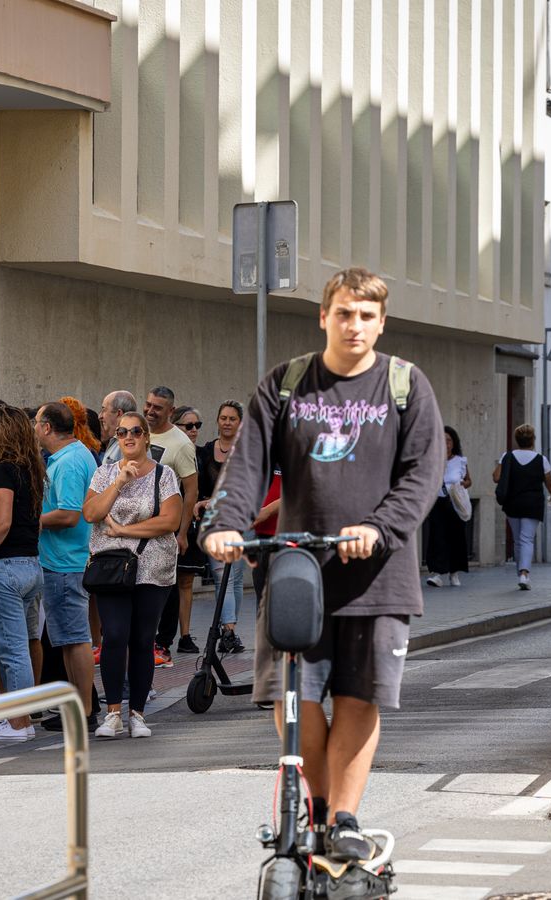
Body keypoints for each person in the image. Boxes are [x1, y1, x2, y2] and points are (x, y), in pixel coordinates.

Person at [203, 267, 444, 863]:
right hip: (296, 573)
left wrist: (378, 529)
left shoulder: (404, 386)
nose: (354, 325)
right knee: (294, 697)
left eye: (366, 315)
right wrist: (227, 524)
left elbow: (422, 474)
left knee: (360, 697)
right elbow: (247, 467)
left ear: (381, 322)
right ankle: (314, 804)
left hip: (378, 575)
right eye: (344, 313)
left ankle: (343, 816)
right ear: (324, 315)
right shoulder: (287, 385)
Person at [84, 411, 183, 738]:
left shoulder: (164, 475)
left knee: (142, 639)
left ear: (146, 438)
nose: (129, 437)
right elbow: (91, 513)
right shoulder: (104, 474)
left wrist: (124, 529)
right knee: (114, 635)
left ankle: (137, 714)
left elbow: (169, 521)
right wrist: (120, 482)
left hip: (152, 568)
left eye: (136, 432)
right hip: (112, 568)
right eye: (123, 432)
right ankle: (113, 713)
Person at [0, 404, 47, 743]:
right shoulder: (30, 468)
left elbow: (2, 524)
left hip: (4, 566)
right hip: (30, 563)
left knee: (11, 650)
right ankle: (22, 720)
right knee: (19, 647)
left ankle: (17, 724)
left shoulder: (1, 469)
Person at [34, 402, 98, 727]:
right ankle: (79, 707)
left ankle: (84, 712)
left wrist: (34, 521)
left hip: (65, 562)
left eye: (36, 423)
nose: (34, 429)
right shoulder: (72, 456)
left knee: (75, 639)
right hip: (65, 560)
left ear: (47, 427)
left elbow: (70, 514)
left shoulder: (70, 461)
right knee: (69, 640)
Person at [144, 387, 199, 667]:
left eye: (157, 407)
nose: (151, 411)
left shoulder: (180, 444)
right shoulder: (137, 431)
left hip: (165, 528)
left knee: (166, 585)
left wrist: (182, 532)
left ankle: (163, 643)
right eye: (148, 405)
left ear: (170, 411)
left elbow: (191, 490)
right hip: (135, 528)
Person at [195, 400, 246, 651]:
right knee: (220, 574)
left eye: (232, 419)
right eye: (223, 417)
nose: (226, 422)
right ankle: (228, 631)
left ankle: (230, 630)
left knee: (234, 577)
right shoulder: (205, 452)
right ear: (217, 420)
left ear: (240, 423)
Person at [492, 425, 551, 590]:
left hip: (512, 503)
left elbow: (496, 477)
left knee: (517, 540)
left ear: (517, 440)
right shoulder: (541, 459)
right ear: (533, 440)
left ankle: (520, 573)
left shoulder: (507, 456)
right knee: (527, 539)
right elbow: (549, 481)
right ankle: (524, 573)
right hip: (532, 503)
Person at [171, 405, 209, 652]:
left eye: (198, 425)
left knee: (186, 581)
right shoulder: (170, 451)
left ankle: (185, 635)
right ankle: (160, 637)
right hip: (169, 522)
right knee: (164, 584)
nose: (194, 430)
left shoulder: (202, 455)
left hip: (192, 525)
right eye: (189, 425)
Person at [424, 426, 472, 587]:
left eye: (449, 440)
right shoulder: (432, 460)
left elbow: (468, 481)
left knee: (456, 538)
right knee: (437, 537)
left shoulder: (460, 461)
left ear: (454, 443)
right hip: (437, 502)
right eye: (443, 440)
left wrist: (460, 486)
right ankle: (437, 574)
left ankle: (454, 573)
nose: (446, 444)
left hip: (454, 503)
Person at [99, 391, 138, 464]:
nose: (100, 416)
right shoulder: (116, 441)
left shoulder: (129, 444)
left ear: (119, 413)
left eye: (104, 410)